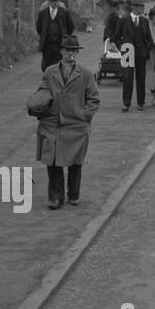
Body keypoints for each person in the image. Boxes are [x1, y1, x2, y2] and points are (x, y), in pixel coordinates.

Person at [31, 34, 100, 210]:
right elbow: (42, 92)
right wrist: (38, 107)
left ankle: (73, 195)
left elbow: (94, 99)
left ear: (77, 53)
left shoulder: (85, 74)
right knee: (52, 161)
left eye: (74, 51)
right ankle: (55, 197)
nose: (70, 54)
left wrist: (83, 116)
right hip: (52, 124)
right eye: (67, 50)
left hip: (76, 125)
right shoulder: (50, 71)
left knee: (75, 162)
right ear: (61, 51)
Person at [113, 0, 154, 111]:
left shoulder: (144, 21)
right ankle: (126, 103)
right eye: (141, 6)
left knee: (141, 78)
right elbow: (116, 37)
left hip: (141, 54)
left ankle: (141, 103)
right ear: (135, 7)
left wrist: (145, 51)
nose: (143, 8)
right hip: (127, 52)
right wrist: (122, 49)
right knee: (127, 77)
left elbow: (150, 40)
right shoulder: (123, 20)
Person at [35, 0, 77, 71]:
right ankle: (48, 77)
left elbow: (71, 26)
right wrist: (44, 36)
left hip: (60, 42)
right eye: (53, 1)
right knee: (46, 63)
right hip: (47, 43)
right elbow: (39, 27)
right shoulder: (43, 13)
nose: (55, 3)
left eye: (56, 1)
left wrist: (65, 36)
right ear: (49, 2)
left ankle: (58, 77)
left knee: (59, 62)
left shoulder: (64, 12)